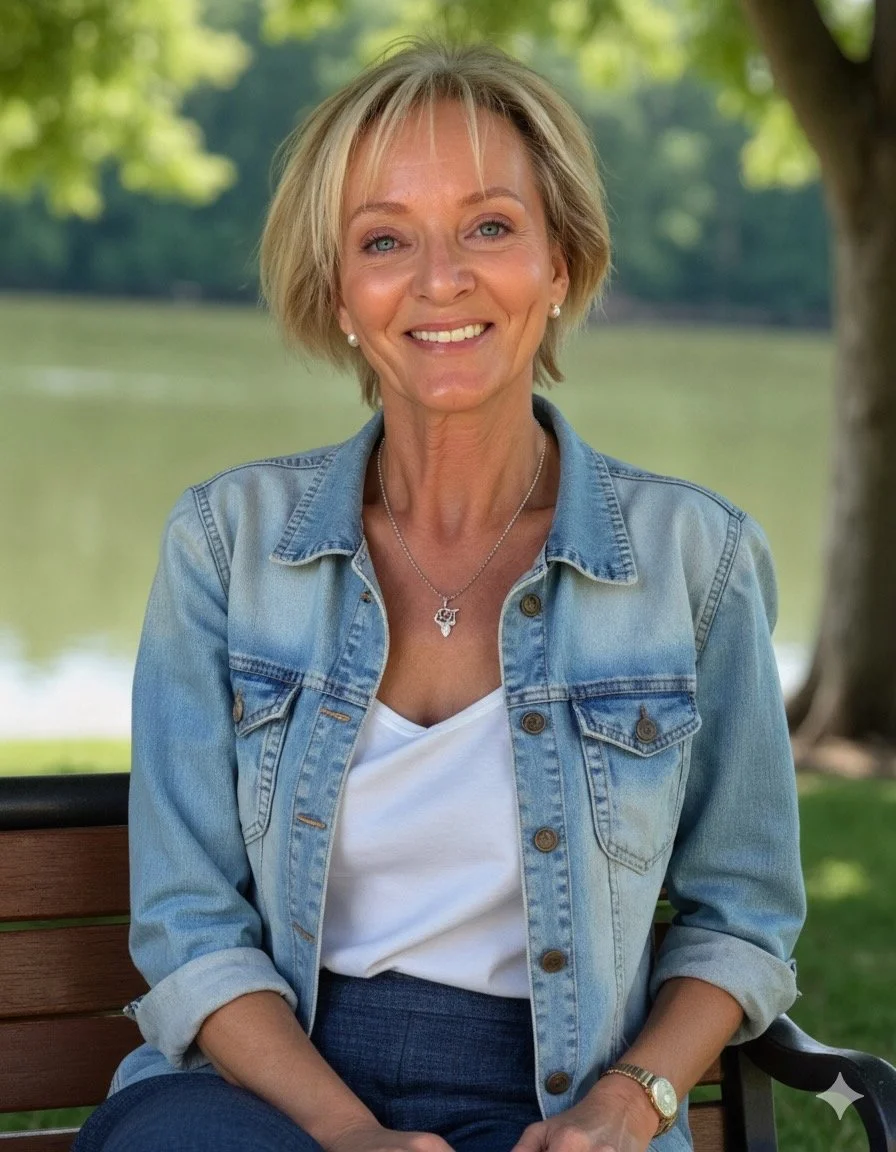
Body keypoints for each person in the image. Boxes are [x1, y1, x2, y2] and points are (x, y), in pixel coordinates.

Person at [74, 38, 805, 1152]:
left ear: (560, 265)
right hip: (264, 1091)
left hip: (555, 1102)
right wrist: (349, 1135)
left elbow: (741, 919)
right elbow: (187, 923)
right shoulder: (225, 546)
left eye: (490, 227)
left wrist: (631, 1103)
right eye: (383, 240)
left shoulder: (694, 561)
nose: (440, 279)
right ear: (339, 292)